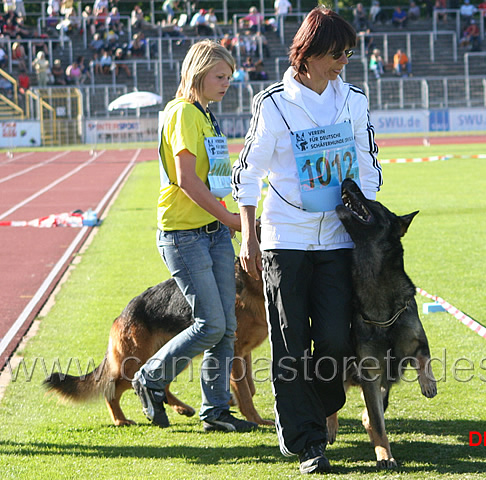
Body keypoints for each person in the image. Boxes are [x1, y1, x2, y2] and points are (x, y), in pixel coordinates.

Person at [231, 6, 382, 474]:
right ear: (310, 53)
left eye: (348, 54)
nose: (344, 63)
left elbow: (368, 164)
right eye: (337, 53)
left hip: (338, 238)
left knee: (336, 341)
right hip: (284, 238)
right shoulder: (273, 103)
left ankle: (311, 410)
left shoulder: (354, 100)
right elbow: (248, 172)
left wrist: (367, 222)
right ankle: (308, 442)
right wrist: (250, 235)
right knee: (291, 342)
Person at [131, 39, 258, 434]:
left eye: (230, 78)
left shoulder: (205, 114)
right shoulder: (183, 113)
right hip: (184, 234)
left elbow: (214, 178)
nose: (226, 84)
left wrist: (232, 214)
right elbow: (187, 181)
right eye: (220, 77)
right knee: (211, 324)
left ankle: (215, 411)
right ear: (198, 73)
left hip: (214, 231)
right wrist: (232, 219)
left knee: (226, 328)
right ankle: (150, 378)